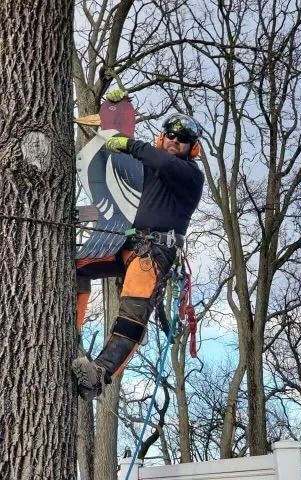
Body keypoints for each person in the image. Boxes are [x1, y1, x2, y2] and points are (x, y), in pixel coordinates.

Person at [72, 90, 204, 400]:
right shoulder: (152, 168)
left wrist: (131, 144)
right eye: (170, 136)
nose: (174, 141)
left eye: (182, 140)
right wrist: (114, 110)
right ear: (163, 138)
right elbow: (113, 166)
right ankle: (71, 334)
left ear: (191, 149)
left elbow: (157, 159)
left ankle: (98, 375)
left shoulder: (188, 175)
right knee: (74, 266)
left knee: (131, 313)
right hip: (127, 243)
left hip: (154, 254)